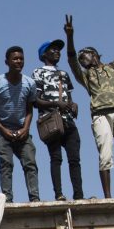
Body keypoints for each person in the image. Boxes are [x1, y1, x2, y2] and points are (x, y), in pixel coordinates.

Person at [65, 5, 114, 198]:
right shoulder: (85, 77)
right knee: (105, 155)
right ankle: (108, 196)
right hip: (100, 115)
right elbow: (71, 61)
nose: (83, 60)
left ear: (96, 55)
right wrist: (70, 37)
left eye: (86, 56)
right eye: (81, 58)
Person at [30, 39, 84, 202]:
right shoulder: (38, 73)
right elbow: (35, 100)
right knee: (56, 158)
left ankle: (79, 195)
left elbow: (69, 96)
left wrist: (73, 104)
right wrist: (55, 104)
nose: (57, 52)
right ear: (44, 54)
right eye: (52, 49)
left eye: (58, 50)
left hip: (68, 120)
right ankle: (59, 194)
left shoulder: (64, 74)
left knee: (74, 159)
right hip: (50, 120)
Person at [0, 46, 40, 203]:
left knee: (30, 162)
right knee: (6, 164)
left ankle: (35, 198)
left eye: (21, 58)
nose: (19, 61)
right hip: (2, 131)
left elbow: (29, 110)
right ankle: (7, 200)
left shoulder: (29, 83)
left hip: (22, 130)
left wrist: (25, 128)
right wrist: (3, 130)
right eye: (15, 58)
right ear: (7, 62)